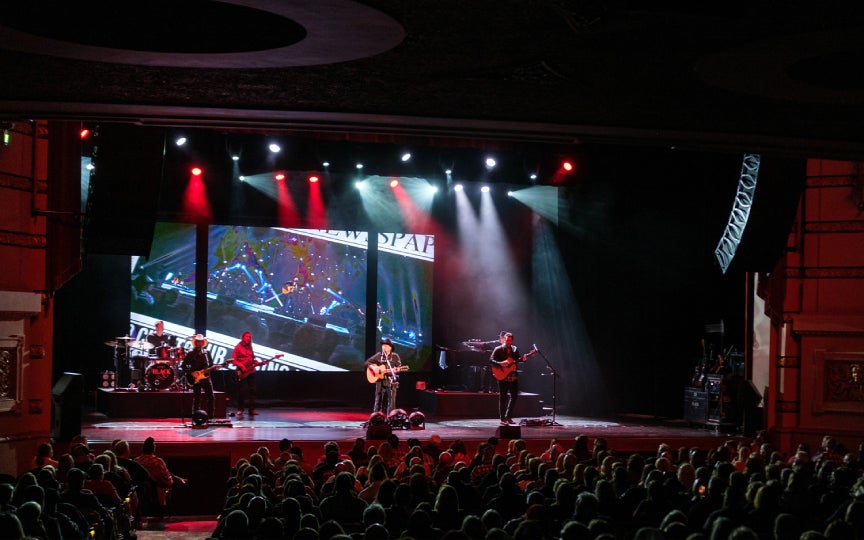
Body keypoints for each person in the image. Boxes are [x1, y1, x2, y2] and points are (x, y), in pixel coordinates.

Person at [490, 332, 529, 426]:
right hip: (502, 375)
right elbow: (491, 360)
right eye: (507, 340)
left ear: (512, 340)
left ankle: (509, 417)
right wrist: (500, 363)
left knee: (514, 396)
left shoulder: (514, 349)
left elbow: (517, 359)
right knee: (503, 397)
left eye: (510, 340)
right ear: (504, 339)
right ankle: (502, 418)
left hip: (513, 375)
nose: (508, 342)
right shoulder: (498, 349)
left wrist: (523, 359)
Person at [180, 334, 215, 419]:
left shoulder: (207, 353)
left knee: (211, 397)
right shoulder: (191, 353)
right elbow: (184, 366)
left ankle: (210, 416)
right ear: (195, 342)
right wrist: (192, 372)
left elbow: (211, 364)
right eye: (198, 342)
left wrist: (213, 368)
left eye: (201, 342)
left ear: (203, 342)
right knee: (197, 398)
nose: (200, 343)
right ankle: (195, 415)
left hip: (206, 377)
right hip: (196, 378)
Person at [365, 337, 402, 416]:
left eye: (385, 345)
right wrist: (374, 367)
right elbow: (367, 362)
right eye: (383, 345)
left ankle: (390, 418)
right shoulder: (379, 355)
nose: (383, 347)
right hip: (380, 380)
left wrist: (396, 370)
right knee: (378, 400)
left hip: (390, 380)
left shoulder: (395, 356)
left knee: (391, 401)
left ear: (390, 347)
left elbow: (399, 367)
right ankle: (376, 417)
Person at [231, 331, 258, 416]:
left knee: (253, 390)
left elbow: (251, 358)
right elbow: (233, 360)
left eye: (249, 337)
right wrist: (241, 365)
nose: (248, 338)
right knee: (242, 391)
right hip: (242, 372)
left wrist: (255, 361)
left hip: (251, 370)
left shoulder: (250, 347)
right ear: (243, 337)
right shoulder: (238, 347)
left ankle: (252, 410)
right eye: (247, 337)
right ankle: (240, 409)